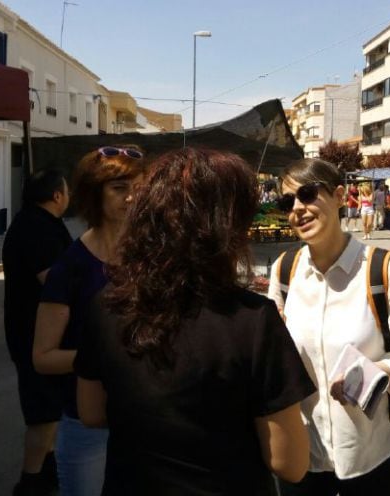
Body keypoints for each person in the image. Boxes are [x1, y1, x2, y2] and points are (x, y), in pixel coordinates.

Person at [73, 148, 314, 495]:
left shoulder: (106, 305)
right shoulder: (254, 321)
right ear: (227, 227)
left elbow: (91, 412)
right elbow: (290, 464)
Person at [268, 158, 390, 496]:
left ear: (341, 196)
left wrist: (368, 374)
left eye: (309, 194)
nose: (298, 208)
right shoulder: (284, 273)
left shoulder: (383, 271)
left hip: (374, 457)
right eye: (288, 202)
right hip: (306, 458)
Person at [32, 146, 145, 496]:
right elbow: (43, 356)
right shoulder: (71, 269)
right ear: (93, 194)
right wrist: (105, 358)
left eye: (139, 188)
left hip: (146, 419)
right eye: (119, 188)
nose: (132, 198)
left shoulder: (152, 258)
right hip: (87, 426)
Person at [2, 168, 72, 496]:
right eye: (66, 190)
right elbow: (54, 281)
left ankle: (46, 469)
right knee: (42, 411)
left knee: (50, 406)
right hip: (34, 334)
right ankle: (30, 482)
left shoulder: (37, 223)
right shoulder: (36, 229)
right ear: (57, 195)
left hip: (39, 331)